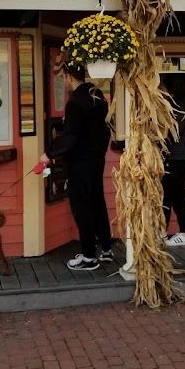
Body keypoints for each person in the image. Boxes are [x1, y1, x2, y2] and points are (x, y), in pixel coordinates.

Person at [39, 62, 113, 271]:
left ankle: (89, 256)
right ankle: (106, 248)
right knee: (97, 201)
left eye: (64, 77)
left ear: (70, 77)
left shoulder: (75, 103)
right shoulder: (97, 96)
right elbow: (103, 129)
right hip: (97, 159)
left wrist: (49, 154)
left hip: (80, 162)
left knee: (82, 208)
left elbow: (71, 135)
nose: (64, 81)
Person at [161, 78, 185, 247]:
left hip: (173, 155)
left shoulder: (174, 106)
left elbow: (170, 132)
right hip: (181, 155)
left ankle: (167, 232)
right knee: (178, 194)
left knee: (168, 195)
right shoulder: (184, 105)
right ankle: (182, 232)